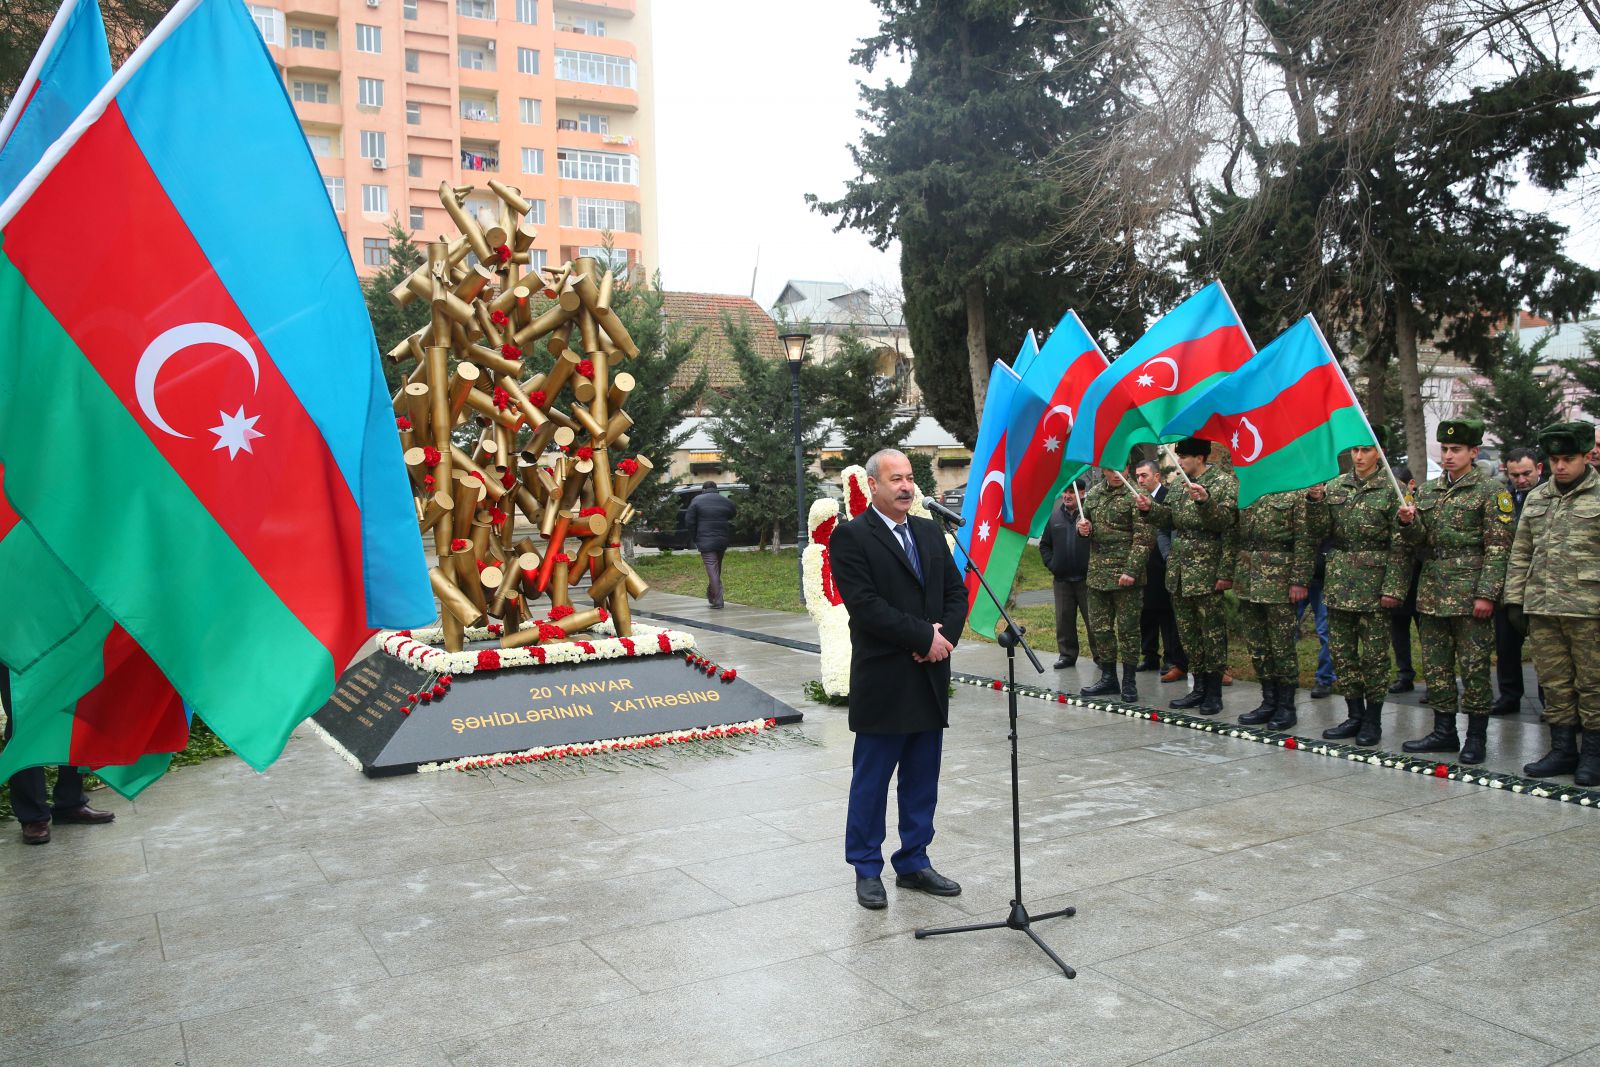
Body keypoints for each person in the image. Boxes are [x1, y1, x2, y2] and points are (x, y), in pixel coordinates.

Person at [828, 449, 968, 910]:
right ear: (873, 486)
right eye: (896, 480)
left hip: (928, 676)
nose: (906, 487)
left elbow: (955, 591)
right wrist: (922, 636)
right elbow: (866, 606)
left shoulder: (930, 531)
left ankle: (913, 861)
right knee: (872, 781)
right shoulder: (850, 537)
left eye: (910, 478)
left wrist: (942, 639)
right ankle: (866, 868)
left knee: (922, 779)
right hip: (886, 678)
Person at [1396, 419, 1513, 764]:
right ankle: (1444, 731)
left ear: (1473, 452)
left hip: (1469, 594)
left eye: (1456, 450)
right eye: (1445, 449)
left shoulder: (1492, 492)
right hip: (1433, 592)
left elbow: (1498, 548)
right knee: (1436, 666)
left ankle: (1475, 737)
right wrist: (1407, 522)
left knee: (1474, 667)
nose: (1448, 456)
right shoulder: (1429, 490)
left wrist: (1487, 594)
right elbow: (1419, 541)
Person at [1504, 421, 1600, 784]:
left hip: (1588, 610)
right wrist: (1515, 600)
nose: (1560, 466)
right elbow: (1521, 551)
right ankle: (1562, 750)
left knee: (1593, 684)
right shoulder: (1538, 498)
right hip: (1543, 607)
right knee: (1554, 682)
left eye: (1568, 458)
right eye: (1555, 459)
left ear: (1586, 456)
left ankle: (1593, 753)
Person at [1307, 435, 1408, 746]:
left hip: (1375, 587)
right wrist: (1315, 503)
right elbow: (1319, 531)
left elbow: (1401, 546)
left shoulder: (1394, 490)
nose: (1359, 456)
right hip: (1339, 584)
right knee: (1343, 653)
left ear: (1379, 452)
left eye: (1366, 450)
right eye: (1355, 450)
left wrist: (1393, 588)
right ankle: (1353, 714)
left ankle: (1373, 720)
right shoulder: (1336, 487)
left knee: (1375, 657)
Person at [1135, 438, 1238, 715]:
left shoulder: (1222, 483)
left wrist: (1205, 501)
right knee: (1189, 635)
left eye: (1185, 458)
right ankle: (1199, 688)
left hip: (1207, 571)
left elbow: (1227, 526)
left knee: (1212, 635)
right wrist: (1150, 509)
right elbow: (1170, 518)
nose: (1179, 463)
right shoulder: (1181, 484)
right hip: (1180, 572)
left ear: (1200, 458)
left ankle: (1214, 693)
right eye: (1178, 458)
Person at [2, 667, 116, 844]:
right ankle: (33, 817)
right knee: (24, 717)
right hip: (16, 643)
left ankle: (70, 803)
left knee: (72, 709)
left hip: (61, 641)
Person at [1232, 489, 1314, 730]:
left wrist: (1300, 579)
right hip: (1248, 578)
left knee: (1282, 646)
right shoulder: (1249, 487)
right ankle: (1268, 701)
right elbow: (1231, 529)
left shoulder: (1294, 493)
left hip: (1279, 579)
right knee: (1257, 645)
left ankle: (1287, 706)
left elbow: (1305, 538)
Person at [1077, 466, 1154, 702]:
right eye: (1111, 469)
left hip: (1125, 577)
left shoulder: (1137, 495)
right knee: (1101, 630)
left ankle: (1129, 681)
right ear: (1103, 471)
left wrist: (1131, 571)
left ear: (1128, 468)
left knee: (1129, 630)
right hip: (1098, 575)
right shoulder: (1095, 494)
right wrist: (1082, 530)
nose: (1116, 474)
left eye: (1121, 468)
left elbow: (1144, 539)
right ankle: (1109, 677)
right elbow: (1085, 525)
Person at [1492, 447, 1542, 715]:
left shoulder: (1550, 496)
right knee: (1506, 644)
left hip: (1541, 583)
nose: (1521, 480)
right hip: (1509, 582)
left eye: (1526, 473)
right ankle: (1509, 695)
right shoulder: (1504, 498)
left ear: (1539, 469)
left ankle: (1551, 702)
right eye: (1515, 475)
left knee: (1546, 649)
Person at [1134, 458, 1187, 682]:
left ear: (1157, 476)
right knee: (1146, 613)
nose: (1140, 480)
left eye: (1144, 475)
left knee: (1167, 615)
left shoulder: (1168, 497)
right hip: (1143, 565)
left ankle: (1170, 657)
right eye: (1137, 476)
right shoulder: (1135, 499)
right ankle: (1149, 655)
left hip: (1163, 564)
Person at [1038, 480, 1095, 670]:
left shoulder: (1090, 514)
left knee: (1093, 620)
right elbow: (1045, 545)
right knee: (1064, 620)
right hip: (1062, 580)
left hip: (1087, 580)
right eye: (1065, 491)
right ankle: (1067, 655)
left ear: (1082, 493)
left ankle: (1101, 656)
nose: (1067, 495)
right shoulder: (1054, 518)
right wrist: (1053, 565)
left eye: (1071, 492)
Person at [1387, 464, 1424, 697]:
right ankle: (1404, 674)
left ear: (1411, 485)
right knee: (1398, 629)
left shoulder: (1424, 501)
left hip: (1421, 576)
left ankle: (1435, 680)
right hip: (1397, 578)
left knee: (1427, 633)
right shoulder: (1390, 504)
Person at [684, 481, 735, 609]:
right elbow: (733, 513)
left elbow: (689, 521)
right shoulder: (724, 501)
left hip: (705, 540)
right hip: (722, 539)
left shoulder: (697, 500)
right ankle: (712, 595)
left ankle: (718, 600)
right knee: (716, 568)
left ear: (703, 489)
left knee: (712, 569)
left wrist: (695, 536)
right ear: (716, 489)